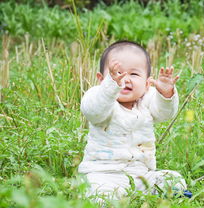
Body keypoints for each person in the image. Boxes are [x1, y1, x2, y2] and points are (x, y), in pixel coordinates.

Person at [78, 40, 188, 200]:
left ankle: (159, 193)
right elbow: (93, 112)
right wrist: (110, 87)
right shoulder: (99, 98)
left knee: (174, 180)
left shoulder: (146, 100)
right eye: (116, 74)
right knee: (100, 192)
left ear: (147, 83)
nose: (125, 79)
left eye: (134, 74)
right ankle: (107, 198)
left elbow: (165, 114)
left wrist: (165, 95)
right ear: (101, 79)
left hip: (141, 175)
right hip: (104, 173)